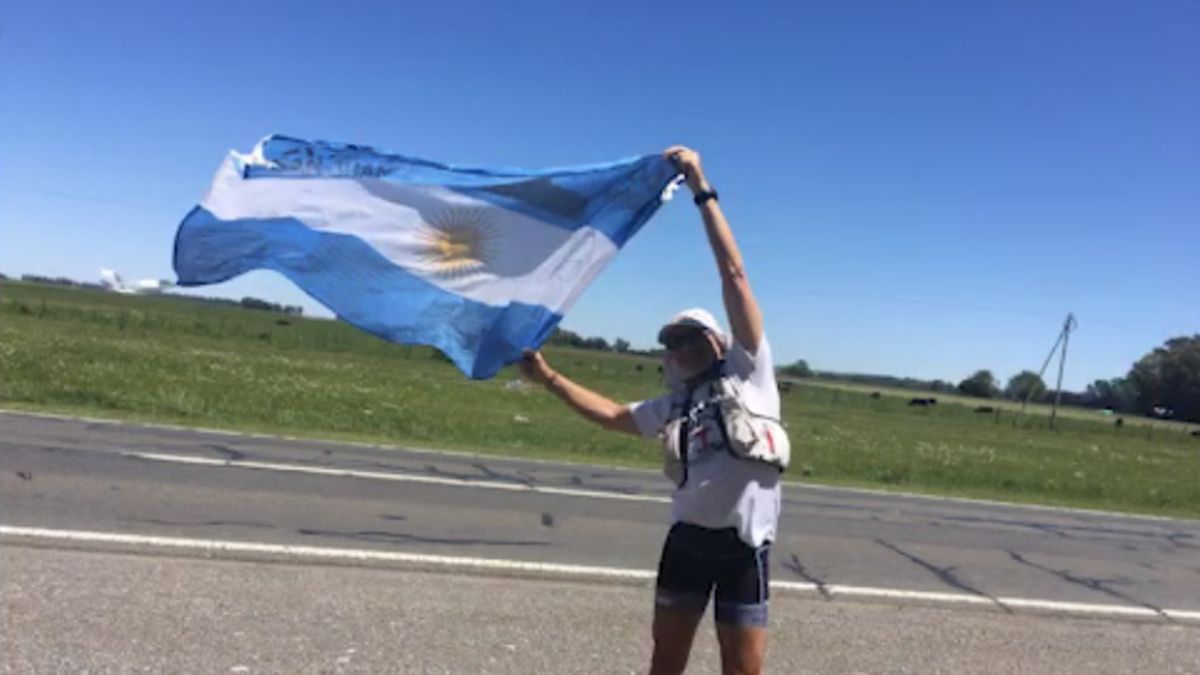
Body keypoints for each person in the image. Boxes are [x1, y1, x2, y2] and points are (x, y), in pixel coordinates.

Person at [520, 146, 780, 675]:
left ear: (716, 340)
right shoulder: (676, 402)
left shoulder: (749, 371)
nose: (681, 348)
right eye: (672, 343)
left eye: (691, 338)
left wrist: (701, 188)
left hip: (744, 550)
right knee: (665, 662)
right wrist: (548, 379)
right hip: (686, 544)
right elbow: (616, 416)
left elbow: (734, 275)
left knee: (745, 670)